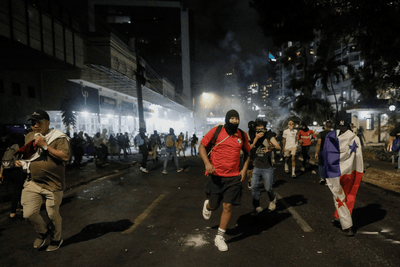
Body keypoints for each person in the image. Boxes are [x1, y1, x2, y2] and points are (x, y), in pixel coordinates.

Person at [15, 110, 70, 251]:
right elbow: (27, 155)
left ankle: (56, 239)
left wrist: (45, 146)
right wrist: (21, 162)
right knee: (28, 213)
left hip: (53, 184)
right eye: (33, 123)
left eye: (39, 122)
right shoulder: (29, 136)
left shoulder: (58, 137)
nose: (35, 125)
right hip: (32, 182)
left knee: (52, 215)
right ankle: (43, 232)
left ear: (48, 122)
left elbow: (65, 157)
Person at [199, 109, 250, 252]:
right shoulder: (217, 131)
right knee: (214, 206)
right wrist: (207, 164)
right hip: (216, 176)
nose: (234, 121)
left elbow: (248, 153)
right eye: (232, 118)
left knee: (228, 206)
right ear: (227, 119)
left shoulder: (242, 135)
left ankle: (219, 237)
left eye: (236, 118)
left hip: (233, 177)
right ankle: (208, 205)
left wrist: (244, 169)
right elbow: (202, 146)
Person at [323, 121, 363, 236]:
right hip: (350, 171)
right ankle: (338, 216)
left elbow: (326, 153)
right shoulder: (354, 138)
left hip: (334, 172)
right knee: (347, 194)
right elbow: (358, 155)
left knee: (339, 197)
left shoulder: (330, 137)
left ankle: (348, 226)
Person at [249, 121, 281, 215]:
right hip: (256, 166)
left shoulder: (269, 136)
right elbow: (249, 148)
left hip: (267, 167)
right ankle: (257, 206)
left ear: (265, 128)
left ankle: (272, 199)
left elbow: (278, 147)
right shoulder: (253, 136)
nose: (260, 130)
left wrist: (270, 149)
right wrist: (256, 138)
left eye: (262, 128)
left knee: (268, 188)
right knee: (254, 187)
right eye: (258, 128)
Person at [0, 132, 25, 219]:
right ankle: (14, 212)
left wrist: (0, 174)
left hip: (8, 172)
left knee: (17, 190)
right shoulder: (18, 146)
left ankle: (18, 209)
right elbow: (22, 157)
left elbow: (3, 163)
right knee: (18, 191)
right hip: (16, 171)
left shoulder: (9, 147)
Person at [315, 120, 333, 184]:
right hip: (331, 152)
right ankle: (328, 180)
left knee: (321, 164)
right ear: (331, 126)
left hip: (323, 151)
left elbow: (319, 143)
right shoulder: (333, 134)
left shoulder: (321, 134)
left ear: (325, 126)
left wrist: (316, 152)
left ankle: (322, 178)